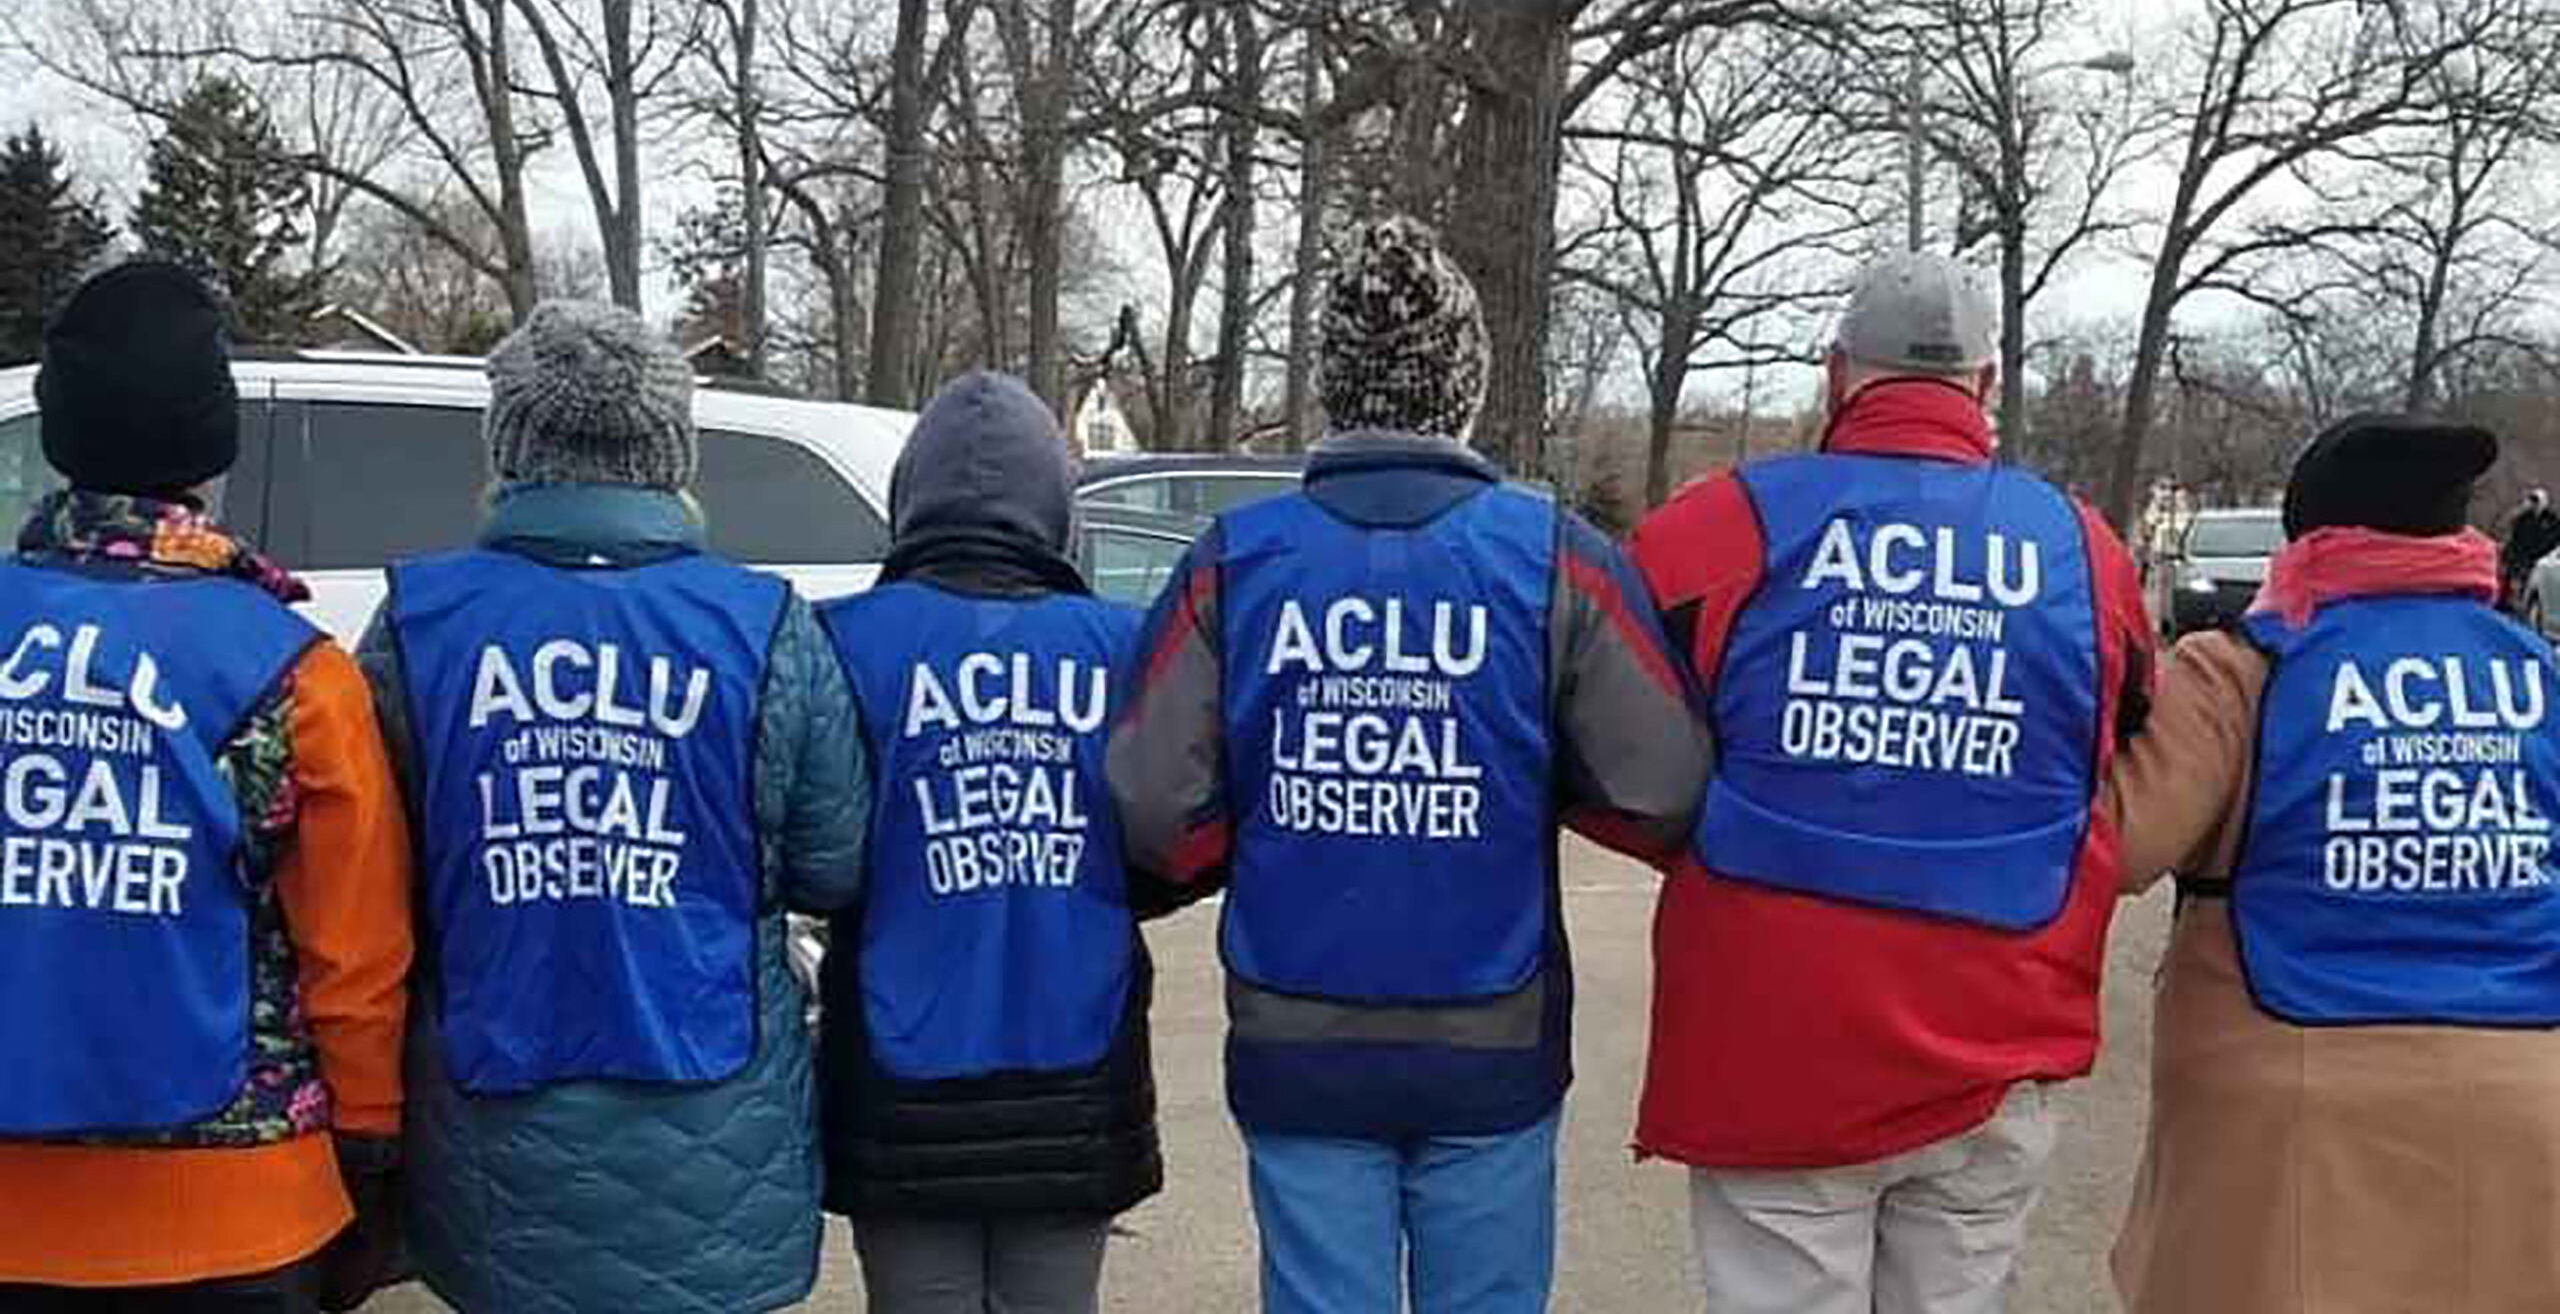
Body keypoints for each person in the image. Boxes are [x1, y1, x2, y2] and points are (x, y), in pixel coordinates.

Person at [1109, 216, 1710, 1314]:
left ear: (1335, 387)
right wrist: (1534, 775)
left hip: (1297, 1028)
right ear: (1464, 389)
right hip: (1492, 1031)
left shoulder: (1234, 564)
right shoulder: (1555, 559)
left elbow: (1154, 807)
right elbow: (1661, 784)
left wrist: (1243, 831)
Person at [1627, 252, 2155, 1314]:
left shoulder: (1721, 524)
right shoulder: (2078, 549)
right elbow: (2123, 725)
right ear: (1986, 386)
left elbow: (1611, 726)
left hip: (1774, 1035)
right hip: (1993, 1029)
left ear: (1835, 376)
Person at [358, 300, 869, 1314]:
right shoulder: (763, 625)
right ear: (671, 450)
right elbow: (833, 862)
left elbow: (367, 871)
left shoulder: (418, 623)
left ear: (511, 444)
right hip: (714, 1117)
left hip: (496, 1123)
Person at [0, 260, 413, 1312]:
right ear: (211, 443)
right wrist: (368, 1140)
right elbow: (354, 955)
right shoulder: (295, 671)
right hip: (240, 1215)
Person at [2109, 414, 2560, 1313]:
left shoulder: (2240, 669)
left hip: (2290, 1107)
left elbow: (2120, 843)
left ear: (2305, 533)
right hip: (2529, 1094)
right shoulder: (2537, 672)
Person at [818, 371, 1165, 1314]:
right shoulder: (1125, 647)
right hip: (1073, 1060)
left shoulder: (839, 641)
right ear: (1055, 508)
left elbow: (818, 851)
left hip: (901, 1069)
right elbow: (1169, 848)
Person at [2497, 486, 2559, 613]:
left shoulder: (2551, 520)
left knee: (2530, 585)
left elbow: (2555, 539)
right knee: (2514, 579)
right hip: (2520, 555)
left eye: (2536, 501)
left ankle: (2523, 606)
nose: (2534, 504)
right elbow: (2514, 535)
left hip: (2541, 559)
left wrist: (2546, 554)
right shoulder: (2523, 518)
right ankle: (2506, 602)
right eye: (2532, 500)